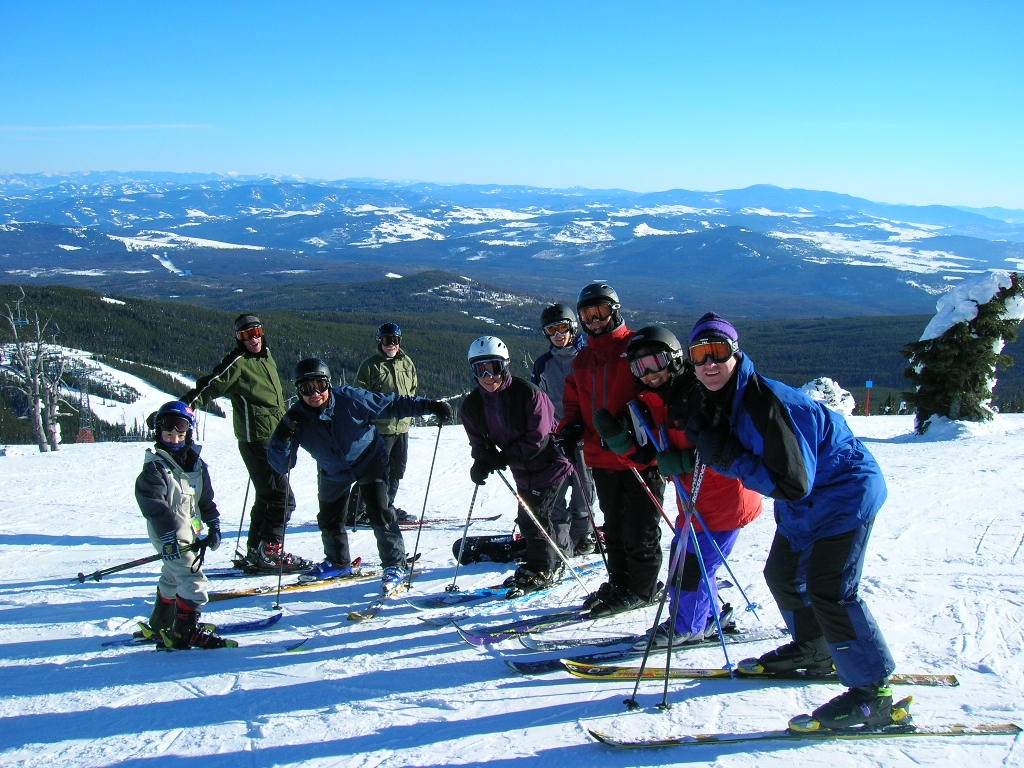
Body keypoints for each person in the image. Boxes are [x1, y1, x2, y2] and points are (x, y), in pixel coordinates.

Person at [678, 311, 895, 731]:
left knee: (831, 590)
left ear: (735, 354)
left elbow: (794, 483)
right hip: (809, 502)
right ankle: (815, 648)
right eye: (700, 353)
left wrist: (728, 457)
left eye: (718, 351)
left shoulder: (769, 405)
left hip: (844, 493)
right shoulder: (723, 398)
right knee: (781, 574)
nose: (709, 363)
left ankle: (874, 695)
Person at [591, 325, 763, 649]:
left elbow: (726, 446)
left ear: (674, 358)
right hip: (695, 501)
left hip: (725, 498)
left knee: (690, 566)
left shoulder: (700, 393)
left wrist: (686, 461)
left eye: (655, 362)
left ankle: (686, 627)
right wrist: (621, 444)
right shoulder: (654, 400)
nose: (650, 373)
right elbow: (654, 455)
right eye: (640, 368)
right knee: (688, 560)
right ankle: (707, 618)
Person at [267, 358, 452, 593]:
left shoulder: (351, 399)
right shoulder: (295, 419)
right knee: (330, 518)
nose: (315, 394)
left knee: (380, 510)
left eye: (320, 386)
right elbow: (282, 465)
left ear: (329, 384)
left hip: (369, 460)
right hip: (332, 469)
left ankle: (394, 564)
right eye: (306, 388)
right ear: (298, 390)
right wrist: (282, 438)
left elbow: (392, 404)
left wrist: (431, 406)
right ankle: (337, 562)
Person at [556, 282, 665, 617]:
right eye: (588, 314)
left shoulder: (636, 346)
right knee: (613, 529)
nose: (594, 320)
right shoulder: (584, 359)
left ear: (614, 310)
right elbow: (573, 402)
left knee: (640, 529)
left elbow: (660, 386)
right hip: (602, 459)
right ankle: (620, 582)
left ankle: (643, 587)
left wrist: (637, 422)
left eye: (600, 311)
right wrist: (571, 427)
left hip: (640, 457)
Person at [180, 313, 311, 574]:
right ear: (238, 338)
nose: (253, 339)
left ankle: (256, 549)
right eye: (246, 335)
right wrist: (182, 409)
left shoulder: (266, 356)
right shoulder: (238, 363)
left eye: (256, 332)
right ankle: (270, 551)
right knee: (282, 498)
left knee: (267, 496)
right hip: (256, 439)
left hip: (274, 436)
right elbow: (211, 385)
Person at [462, 336, 574, 596]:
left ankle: (544, 568)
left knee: (535, 516)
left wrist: (503, 458)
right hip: (522, 470)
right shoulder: (473, 405)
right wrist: (481, 460)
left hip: (550, 463)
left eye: (494, 367)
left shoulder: (528, 393)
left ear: (505, 366)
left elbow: (538, 438)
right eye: (481, 370)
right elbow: (478, 440)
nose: (489, 376)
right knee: (530, 517)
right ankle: (547, 560)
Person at [135, 401, 229, 649]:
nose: (174, 439)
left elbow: (205, 499)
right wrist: (168, 538)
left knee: (173, 576)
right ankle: (183, 634)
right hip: (168, 534)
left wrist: (214, 525)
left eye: (180, 434)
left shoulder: (197, 464)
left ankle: (160, 624)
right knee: (192, 580)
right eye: (168, 434)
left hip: (191, 531)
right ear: (158, 433)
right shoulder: (156, 468)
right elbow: (154, 506)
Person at [531, 303, 598, 556]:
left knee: (583, 487)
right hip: (556, 436)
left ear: (572, 328)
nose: (558, 335)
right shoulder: (544, 364)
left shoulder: (587, 356)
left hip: (583, 434)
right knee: (556, 488)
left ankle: (582, 534)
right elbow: (539, 401)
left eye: (562, 328)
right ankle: (560, 537)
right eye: (551, 331)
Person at [354, 322, 418, 524]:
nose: (391, 344)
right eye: (386, 340)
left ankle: (385, 506)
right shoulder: (371, 365)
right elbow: (359, 395)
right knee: (374, 472)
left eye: (395, 340)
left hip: (402, 427)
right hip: (380, 429)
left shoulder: (406, 362)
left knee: (397, 470)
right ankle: (356, 511)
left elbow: (413, 388)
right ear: (379, 341)